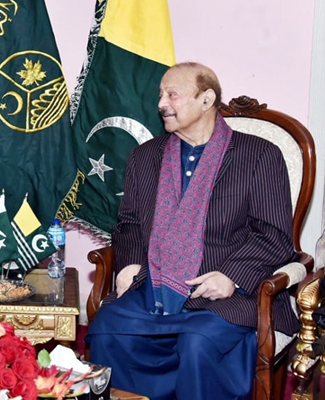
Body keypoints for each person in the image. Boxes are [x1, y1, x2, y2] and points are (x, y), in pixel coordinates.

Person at [85, 62, 298, 400]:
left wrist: (231, 276)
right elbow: (127, 224)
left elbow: (273, 235)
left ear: (206, 98)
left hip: (227, 296)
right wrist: (130, 263)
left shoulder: (259, 156)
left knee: (197, 342)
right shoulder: (145, 156)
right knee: (107, 329)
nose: (161, 104)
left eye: (173, 95)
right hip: (154, 285)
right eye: (160, 95)